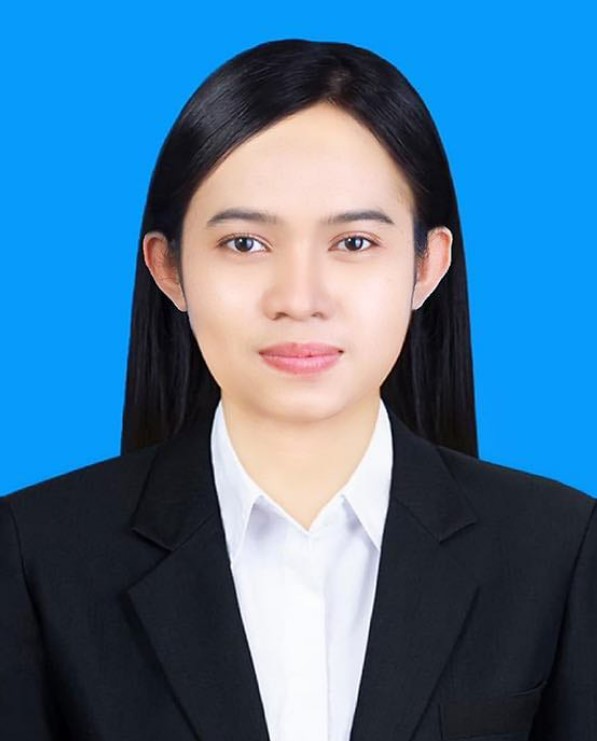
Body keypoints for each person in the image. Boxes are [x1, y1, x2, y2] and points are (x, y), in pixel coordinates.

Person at [0, 38, 595, 741]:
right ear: (169, 269)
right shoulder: (36, 554)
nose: (299, 299)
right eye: (244, 244)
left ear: (426, 266)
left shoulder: (557, 547)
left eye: (354, 243)